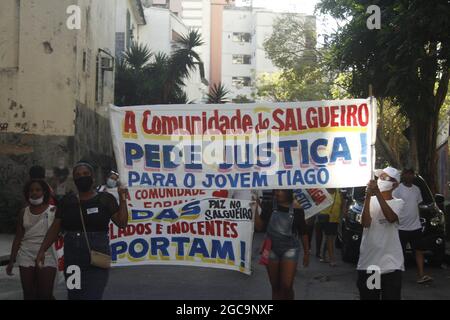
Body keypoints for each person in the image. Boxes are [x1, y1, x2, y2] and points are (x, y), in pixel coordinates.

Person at [36, 161, 129, 300]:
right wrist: (42, 250)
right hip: (73, 256)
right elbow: (55, 229)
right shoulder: (67, 202)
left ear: (92, 177)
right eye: (78, 175)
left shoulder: (105, 199)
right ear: (74, 180)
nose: (82, 177)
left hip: (98, 255)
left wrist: (122, 198)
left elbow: (122, 223)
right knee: (74, 294)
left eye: (85, 174)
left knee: (93, 294)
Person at [357, 166, 405, 300]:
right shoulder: (370, 201)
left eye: (384, 177)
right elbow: (365, 223)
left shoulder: (398, 203)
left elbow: (390, 218)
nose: (380, 179)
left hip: (391, 265)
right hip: (371, 264)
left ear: (395, 184)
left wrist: (377, 193)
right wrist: (368, 196)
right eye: (379, 177)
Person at [6, 180, 58, 300]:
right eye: (31, 190)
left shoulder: (53, 210)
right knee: (29, 294)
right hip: (26, 254)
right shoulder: (23, 212)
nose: (34, 193)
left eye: (38, 190)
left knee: (45, 295)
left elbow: (57, 233)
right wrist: (11, 261)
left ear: (44, 192)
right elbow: (18, 237)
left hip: (47, 254)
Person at [255, 189, 309, 300]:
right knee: (275, 287)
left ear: (288, 192)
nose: (278, 193)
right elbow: (259, 227)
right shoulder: (269, 205)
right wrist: (254, 211)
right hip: (270, 249)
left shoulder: (298, 209)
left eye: (282, 190)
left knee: (286, 286)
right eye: (277, 190)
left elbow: (303, 233)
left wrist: (306, 253)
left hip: (290, 249)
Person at [392, 168, 432, 284]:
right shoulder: (398, 189)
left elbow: (417, 206)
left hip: (415, 227)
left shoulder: (417, 190)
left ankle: (421, 275)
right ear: (403, 176)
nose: (409, 176)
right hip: (401, 227)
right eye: (407, 174)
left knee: (419, 250)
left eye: (411, 174)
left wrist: (418, 220)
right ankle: (396, 277)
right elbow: (393, 204)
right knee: (400, 253)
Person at [318, 189, 345, 267]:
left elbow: (342, 204)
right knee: (329, 238)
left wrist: (343, 215)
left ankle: (322, 255)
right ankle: (332, 259)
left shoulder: (338, 192)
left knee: (330, 238)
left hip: (335, 219)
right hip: (327, 218)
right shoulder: (324, 191)